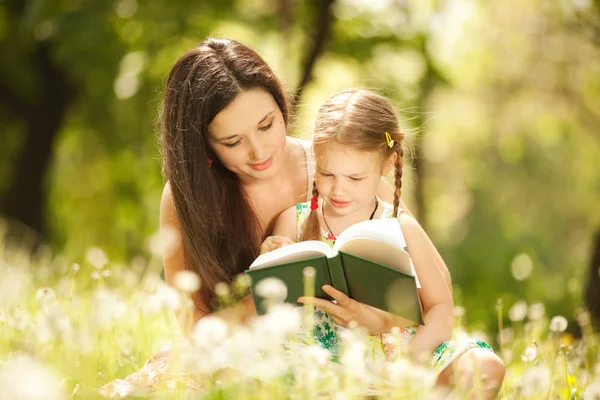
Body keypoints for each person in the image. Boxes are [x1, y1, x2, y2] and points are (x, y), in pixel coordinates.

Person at [264, 88, 505, 398]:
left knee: (484, 366)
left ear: (386, 166)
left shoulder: (401, 226)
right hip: (322, 359)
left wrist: (412, 359)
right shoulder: (293, 220)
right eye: (327, 173)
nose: (338, 189)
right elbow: (273, 304)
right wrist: (269, 258)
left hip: (395, 355)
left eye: (355, 178)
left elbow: (442, 308)